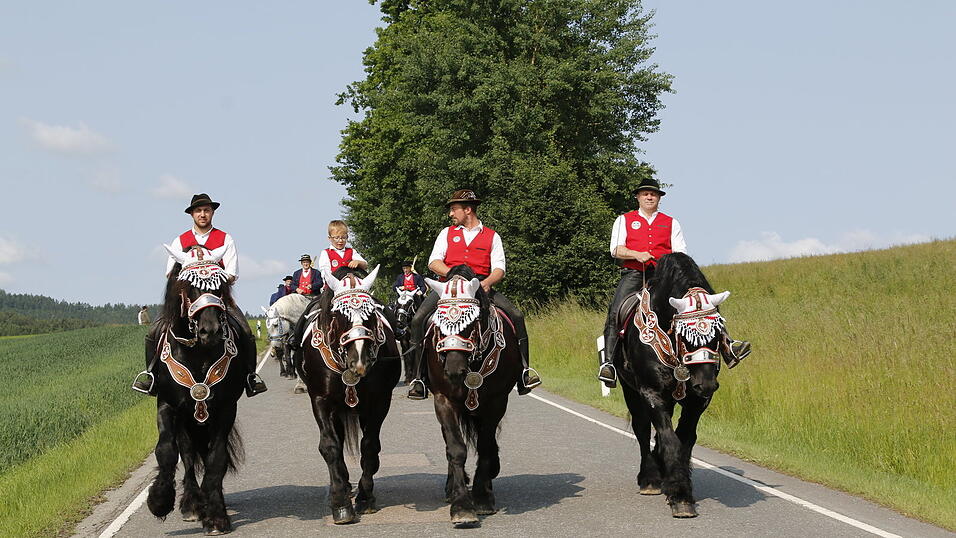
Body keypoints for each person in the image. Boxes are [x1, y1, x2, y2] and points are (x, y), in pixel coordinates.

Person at [598, 178, 752, 388]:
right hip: (634, 274)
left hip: (666, 277)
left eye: (653, 194)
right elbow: (615, 249)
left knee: (703, 302)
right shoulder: (624, 220)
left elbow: (680, 252)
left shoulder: (671, 222)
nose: (649, 197)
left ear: (659, 198)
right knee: (616, 311)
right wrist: (636, 254)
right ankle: (608, 364)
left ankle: (728, 345)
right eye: (645, 194)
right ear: (638, 197)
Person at [407, 189, 542, 399]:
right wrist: (451, 275)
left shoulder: (492, 236)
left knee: (516, 316)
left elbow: (499, 268)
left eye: (454, 209)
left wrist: (486, 283)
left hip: (479, 287)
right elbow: (434, 262)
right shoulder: (446, 233)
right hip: (448, 288)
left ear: (467, 210)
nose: (451, 214)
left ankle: (524, 372)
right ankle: (418, 378)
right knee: (418, 320)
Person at [131, 193, 267, 396]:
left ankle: (250, 377)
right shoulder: (180, 240)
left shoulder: (225, 238)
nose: (203, 214)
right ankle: (151, 375)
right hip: (188, 298)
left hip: (217, 297)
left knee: (246, 332)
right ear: (192, 214)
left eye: (206, 210)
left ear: (212, 212)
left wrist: (212, 277)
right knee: (154, 331)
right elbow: (170, 273)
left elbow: (231, 273)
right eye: (198, 211)